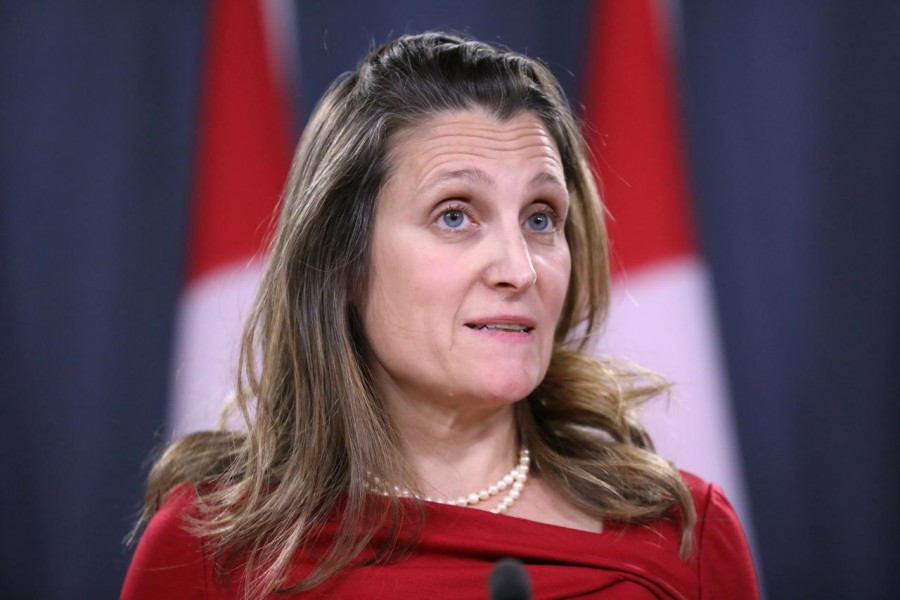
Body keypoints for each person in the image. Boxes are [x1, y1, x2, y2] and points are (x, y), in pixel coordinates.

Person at [121, 32, 758, 599]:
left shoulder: (683, 535)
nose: (520, 268)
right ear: (344, 261)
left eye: (541, 218)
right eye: (455, 214)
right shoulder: (213, 549)